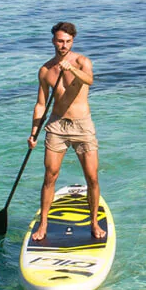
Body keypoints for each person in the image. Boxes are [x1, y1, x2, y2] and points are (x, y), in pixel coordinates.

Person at [29, 21, 104, 242]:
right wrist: (34, 132)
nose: (64, 46)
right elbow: (41, 104)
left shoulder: (82, 62)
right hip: (57, 126)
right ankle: (43, 223)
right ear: (53, 41)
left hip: (82, 125)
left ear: (73, 41)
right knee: (50, 176)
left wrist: (70, 69)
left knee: (92, 177)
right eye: (60, 41)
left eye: (68, 41)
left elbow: (89, 80)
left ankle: (94, 222)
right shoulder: (45, 70)